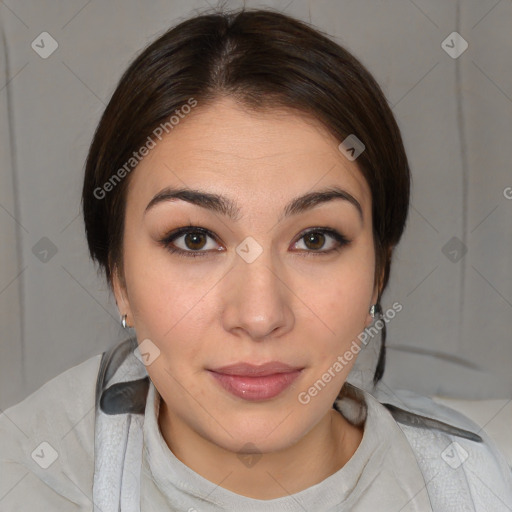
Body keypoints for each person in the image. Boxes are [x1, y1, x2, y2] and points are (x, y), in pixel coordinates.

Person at [1, 7, 511, 511]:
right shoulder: (25, 478)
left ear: (379, 272)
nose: (260, 315)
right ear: (119, 279)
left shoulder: (489, 480)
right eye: (195, 239)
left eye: (315, 239)